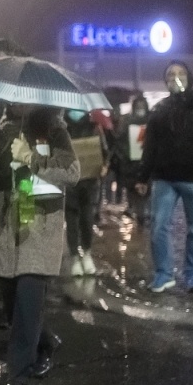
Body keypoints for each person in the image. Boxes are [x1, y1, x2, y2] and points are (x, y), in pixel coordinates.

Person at [0, 106, 79, 385]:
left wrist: (30, 157)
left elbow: (72, 173)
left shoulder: (54, 129)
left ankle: (18, 376)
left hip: (38, 228)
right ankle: (45, 342)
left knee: (27, 303)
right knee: (14, 308)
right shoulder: (1, 128)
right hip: (8, 228)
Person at [136, 61, 193, 293]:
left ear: (189, 76)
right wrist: (143, 177)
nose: (176, 77)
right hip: (164, 178)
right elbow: (150, 146)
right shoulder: (159, 109)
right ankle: (164, 274)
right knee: (158, 227)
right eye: (171, 74)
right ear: (165, 81)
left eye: (181, 73)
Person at [65, 109, 107, 277]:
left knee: (87, 218)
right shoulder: (62, 128)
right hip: (69, 182)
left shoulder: (94, 127)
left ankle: (87, 253)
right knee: (72, 219)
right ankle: (75, 257)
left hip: (89, 182)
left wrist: (104, 165)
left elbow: (104, 150)